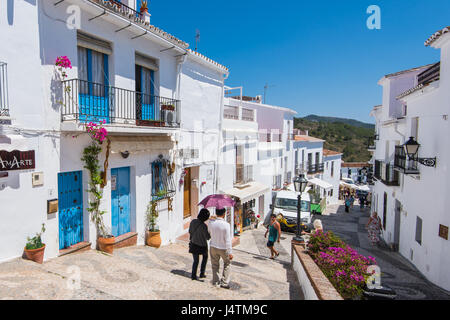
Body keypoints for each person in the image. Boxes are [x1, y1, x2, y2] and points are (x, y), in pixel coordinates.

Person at [208, 208, 233, 289]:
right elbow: (228, 240)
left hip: (213, 246)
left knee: (214, 265)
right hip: (223, 248)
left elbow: (209, 232)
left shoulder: (211, 223)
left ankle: (215, 281)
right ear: (224, 213)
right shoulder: (226, 225)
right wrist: (230, 252)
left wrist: (212, 220)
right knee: (227, 264)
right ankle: (224, 282)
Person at [189, 208, 211, 281]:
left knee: (196, 260)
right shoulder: (204, 226)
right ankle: (202, 273)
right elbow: (207, 237)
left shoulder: (193, 222)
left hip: (194, 243)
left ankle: (193, 275)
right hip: (202, 245)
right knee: (205, 257)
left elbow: (190, 231)